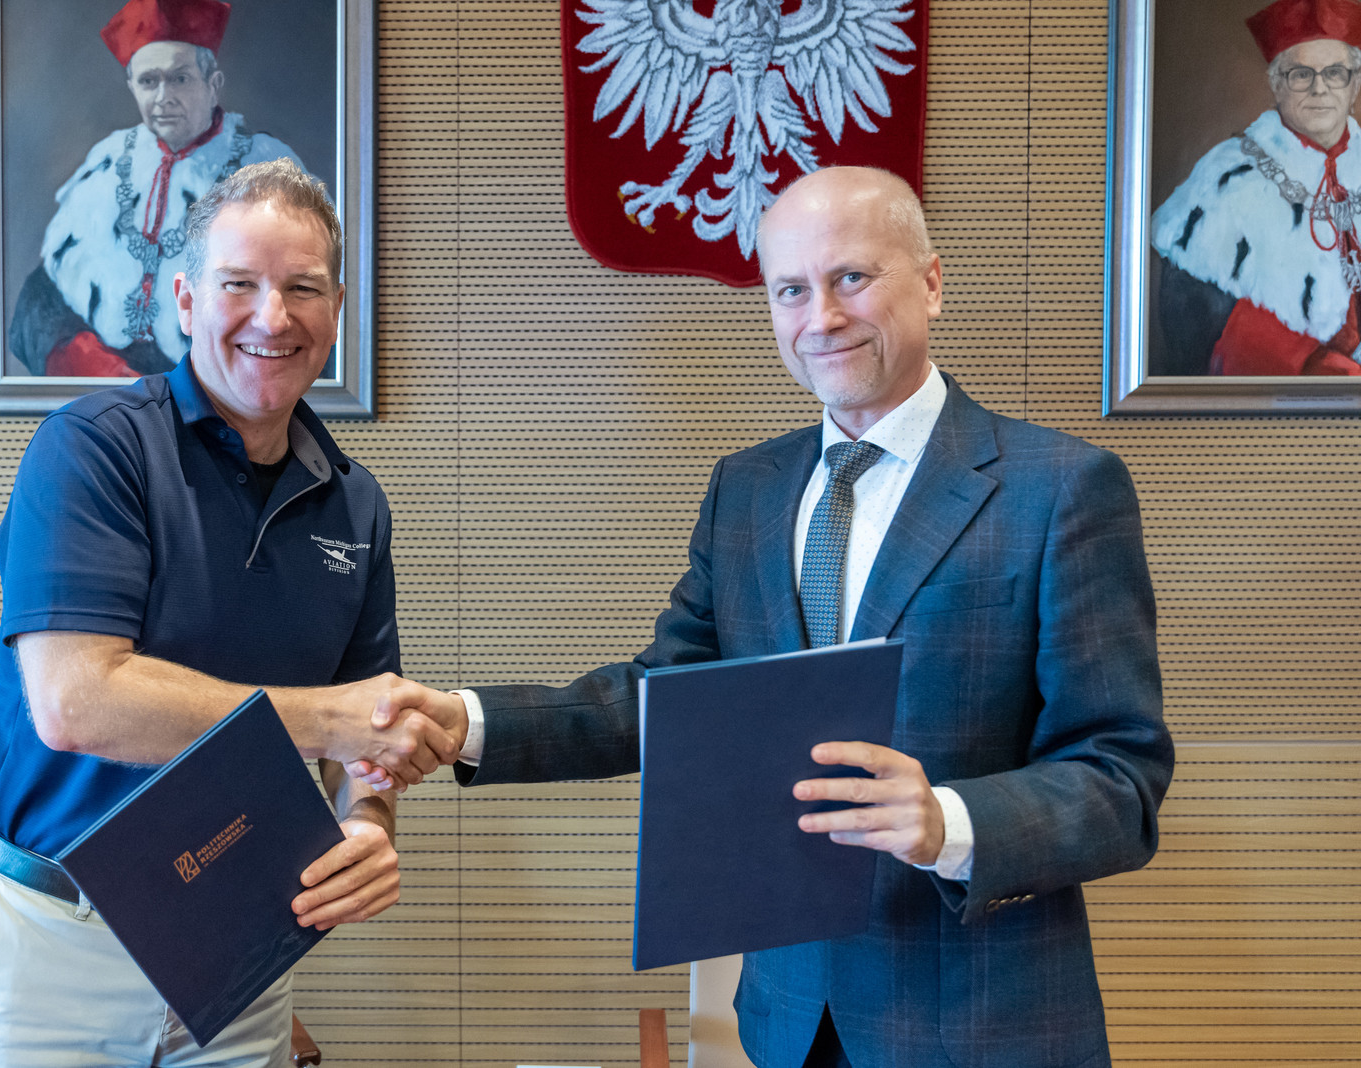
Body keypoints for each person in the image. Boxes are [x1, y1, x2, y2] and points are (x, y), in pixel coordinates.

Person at [362, 167, 1174, 1067]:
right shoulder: (747, 490)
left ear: (932, 283)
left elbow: (1121, 780)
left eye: (851, 277)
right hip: (791, 1020)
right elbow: (665, 698)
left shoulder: (1061, 489)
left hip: (984, 1027)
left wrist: (948, 821)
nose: (820, 317)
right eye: (791, 289)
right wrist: (467, 723)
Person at [0, 159, 463, 1066]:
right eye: (239, 284)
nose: (273, 317)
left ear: (337, 309)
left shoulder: (357, 504)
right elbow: (76, 703)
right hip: (51, 945)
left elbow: (368, 729)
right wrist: (329, 722)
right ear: (184, 300)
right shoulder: (92, 450)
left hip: (240, 942)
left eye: (304, 288)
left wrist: (368, 822)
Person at [8, 0, 304, 378]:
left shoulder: (267, 167)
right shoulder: (106, 162)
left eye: (179, 78)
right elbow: (42, 302)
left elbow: (301, 300)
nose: (163, 97)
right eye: (149, 81)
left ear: (213, 85)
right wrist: (91, 364)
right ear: (132, 87)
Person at [1150, 0, 1361, 375]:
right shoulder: (1227, 176)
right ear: (1277, 84)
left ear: (1355, 84)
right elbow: (1193, 333)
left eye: (1335, 73)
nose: (1320, 88)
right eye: (1301, 74)